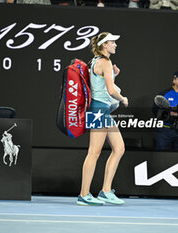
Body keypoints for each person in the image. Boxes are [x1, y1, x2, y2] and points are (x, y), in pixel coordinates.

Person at [77, 32, 128, 206]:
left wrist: (114, 76)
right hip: (99, 110)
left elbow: (99, 84)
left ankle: (106, 191)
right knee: (94, 152)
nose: (115, 45)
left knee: (119, 148)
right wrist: (123, 98)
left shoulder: (97, 61)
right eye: (112, 42)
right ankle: (84, 194)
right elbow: (111, 90)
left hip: (102, 109)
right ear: (104, 45)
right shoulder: (105, 62)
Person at [152, 71, 178, 151]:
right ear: (174, 80)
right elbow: (155, 111)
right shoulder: (164, 94)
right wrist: (168, 114)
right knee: (162, 157)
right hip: (165, 131)